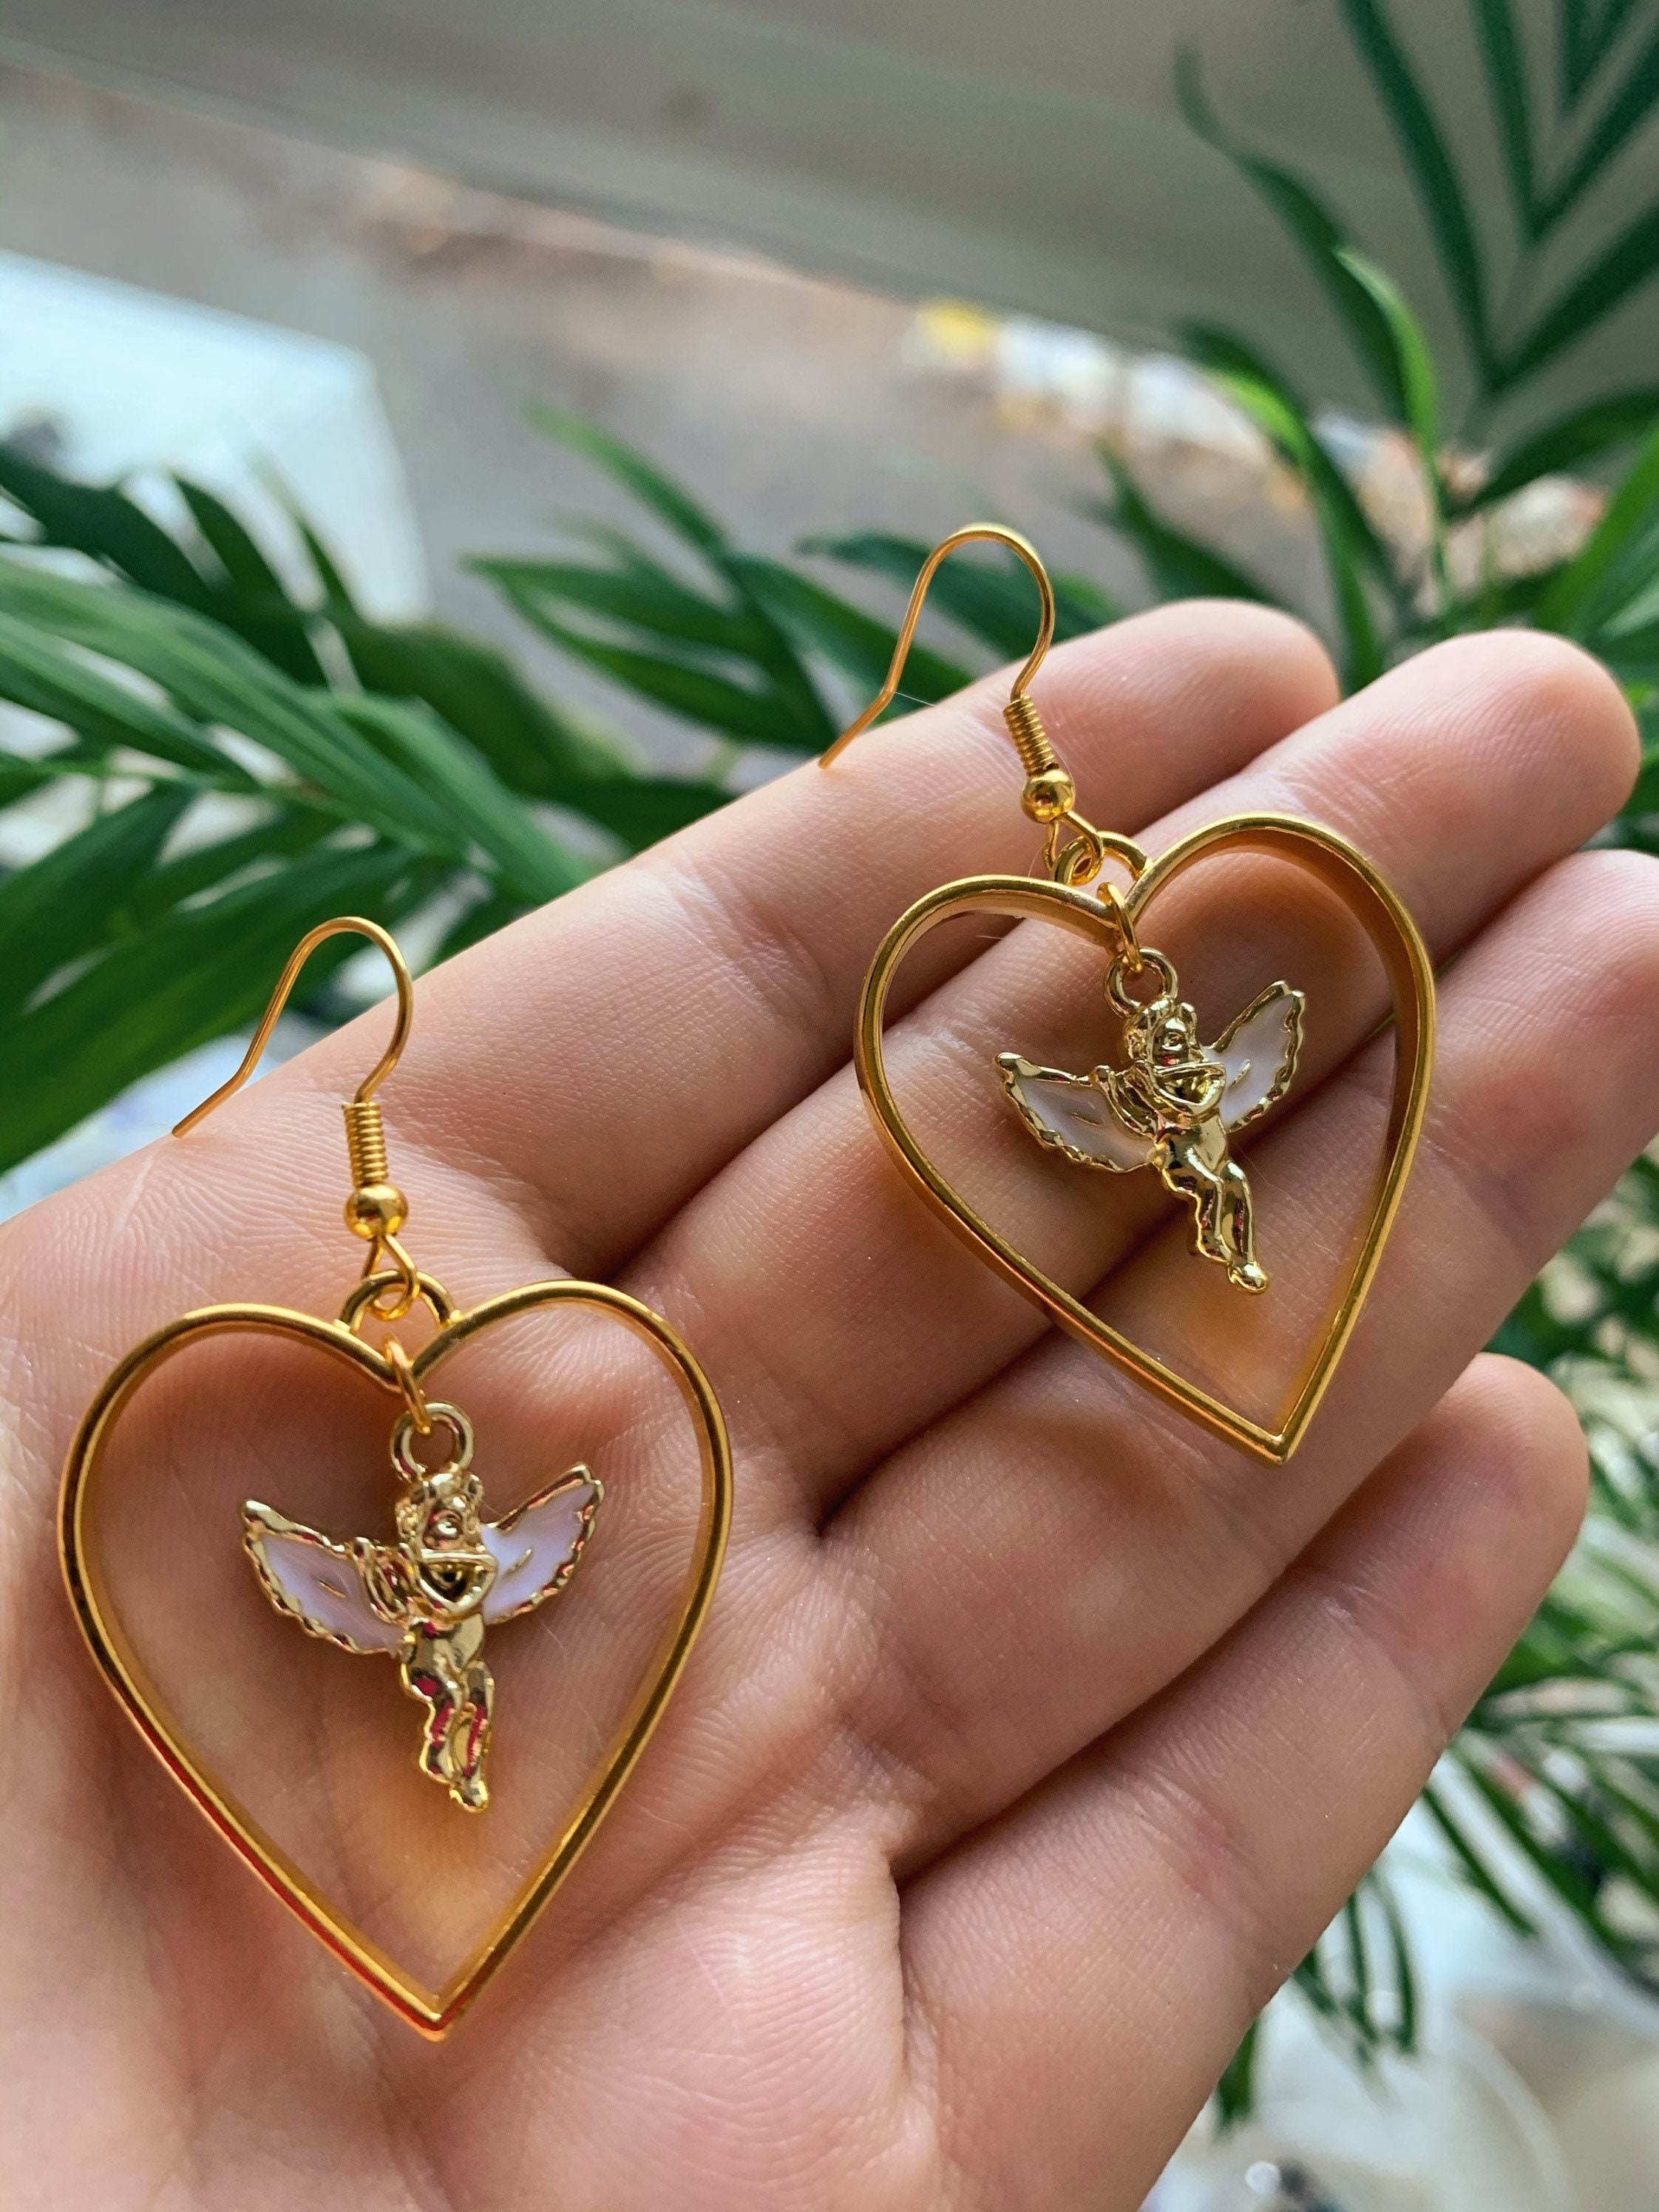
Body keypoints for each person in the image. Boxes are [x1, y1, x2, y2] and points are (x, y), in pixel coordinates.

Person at [3, 603, 1655, 2209]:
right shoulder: (426, 1566)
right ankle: (456, 1766)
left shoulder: (1157, 1084)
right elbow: (367, 1561)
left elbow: (1179, 1069)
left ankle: (458, 1758)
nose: (442, 1527)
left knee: (1223, 1201)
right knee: (454, 1700)